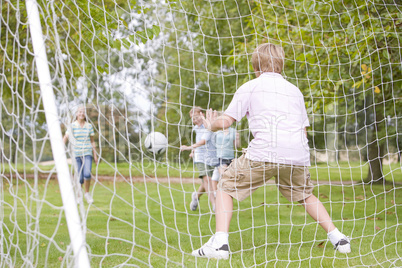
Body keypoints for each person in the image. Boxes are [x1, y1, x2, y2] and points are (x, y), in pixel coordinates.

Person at [191, 43, 351, 259]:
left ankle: (220, 244)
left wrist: (211, 124)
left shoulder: (251, 86)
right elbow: (303, 131)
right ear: (281, 64)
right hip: (297, 156)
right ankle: (339, 238)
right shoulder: (295, 91)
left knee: (225, 185)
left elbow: (227, 120)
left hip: (264, 153)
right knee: (305, 194)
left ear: (255, 66)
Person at [180, 106, 219, 212]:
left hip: (211, 156)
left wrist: (189, 148)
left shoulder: (208, 126)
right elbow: (200, 141)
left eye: (197, 117)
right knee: (207, 179)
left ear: (202, 115)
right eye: (193, 119)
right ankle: (214, 205)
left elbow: (205, 141)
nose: (195, 120)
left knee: (208, 181)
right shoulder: (196, 128)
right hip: (200, 157)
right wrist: (192, 150)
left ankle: (196, 196)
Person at [63, 106, 98, 204]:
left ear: (85, 114)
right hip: (76, 154)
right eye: (80, 112)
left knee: (87, 174)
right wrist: (60, 146)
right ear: (76, 114)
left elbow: (92, 141)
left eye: (83, 112)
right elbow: (66, 137)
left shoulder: (89, 126)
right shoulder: (73, 126)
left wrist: (95, 155)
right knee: (80, 177)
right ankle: (79, 196)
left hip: (87, 153)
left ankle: (87, 193)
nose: (81, 113)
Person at [212, 125, 238, 194]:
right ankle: (217, 194)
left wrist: (237, 139)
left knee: (215, 178)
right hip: (220, 157)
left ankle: (219, 194)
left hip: (230, 158)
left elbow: (237, 145)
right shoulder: (217, 131)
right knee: (223, 175)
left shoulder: (233, 131)